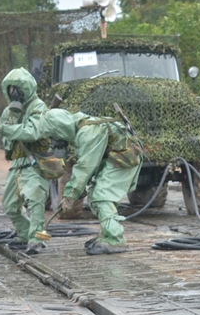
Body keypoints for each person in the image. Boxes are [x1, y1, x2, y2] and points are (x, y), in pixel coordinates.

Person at [39, 108, 143, 255]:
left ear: (60, 128)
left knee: (102, 195)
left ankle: (115, 238)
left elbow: (85, 167)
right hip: (114, 157)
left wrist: (70, 194)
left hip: (124, 157)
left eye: (53, 135)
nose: (53, 141)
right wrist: (77, 191)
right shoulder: (79, 129)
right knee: (95, 195)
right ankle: (108, 234)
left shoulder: (87, 133)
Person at [0, 68, 51, 255]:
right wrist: (2, 127)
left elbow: (32, 132)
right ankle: (25, 234)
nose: (14, 93)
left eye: (18, 88)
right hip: (17, 163)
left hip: (35, 161)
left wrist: (7, 130)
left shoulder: (38, 107)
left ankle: (37, 239)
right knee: (10, 204)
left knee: (35, 200)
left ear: (28, 87)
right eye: (10, 89)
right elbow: (8, 136)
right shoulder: (9, 110)